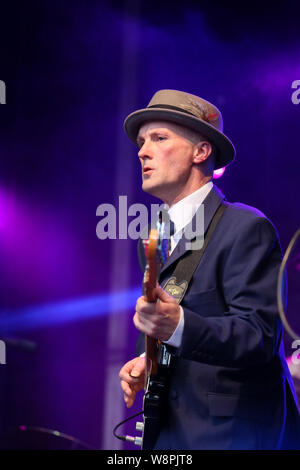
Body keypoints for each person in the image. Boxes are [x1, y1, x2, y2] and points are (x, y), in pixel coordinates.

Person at [119, 89, 300, 450]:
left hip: (232, 436)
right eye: (141, 141)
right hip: (169, 434)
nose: (142, 151)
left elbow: (258, 336)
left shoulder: (246, 227)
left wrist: (179, 325)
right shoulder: (154, 236)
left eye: (159, 138)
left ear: (201, 152)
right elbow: (166, 323)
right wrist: (146, 360)